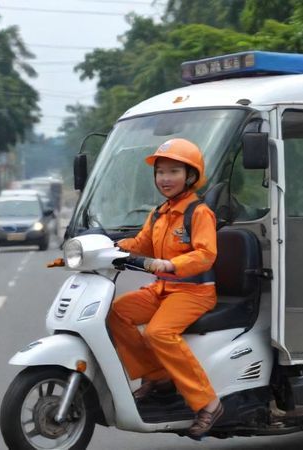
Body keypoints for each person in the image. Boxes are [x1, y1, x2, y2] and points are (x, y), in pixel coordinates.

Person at [109, 138, 223, 437]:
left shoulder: (198, 213)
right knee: (116, 313)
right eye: (160, 172)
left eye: (173, 171)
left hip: (193, 291)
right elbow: (140, 244)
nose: (165, 178)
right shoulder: (159, 213)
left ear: (190, 176)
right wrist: (108, 246)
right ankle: (157, 376)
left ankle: (208, 403)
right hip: (162, 290)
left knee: (159, 332)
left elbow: (206, 254)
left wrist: (173, 265)